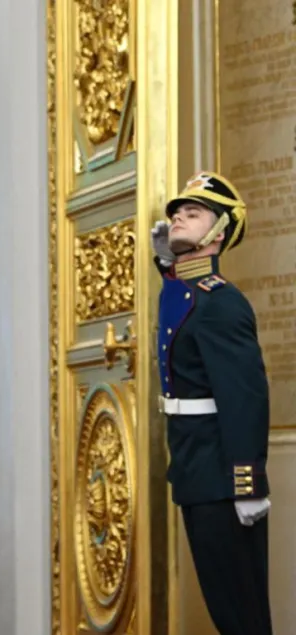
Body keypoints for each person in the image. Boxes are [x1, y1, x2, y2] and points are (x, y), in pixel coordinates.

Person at [151, 171, 272, 635]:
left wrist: (248, 483)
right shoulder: (190, 293)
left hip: (223, 478)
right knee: (227, 611)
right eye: (176, 211)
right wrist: (166, 264)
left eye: (194, 213)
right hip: (197, 471)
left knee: (243, 618)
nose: (178, 215)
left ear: (219, 233)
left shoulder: (222, 303)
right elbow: (179, 304)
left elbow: (245, 398)